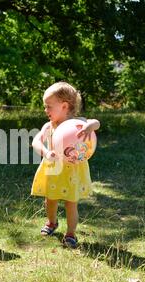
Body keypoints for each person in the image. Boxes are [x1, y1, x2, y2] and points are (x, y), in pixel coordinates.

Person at [31, 82, 100, 248]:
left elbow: (96, 123)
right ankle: (51, 222)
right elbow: (35, 141)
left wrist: (90, 126)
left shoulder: (79, 123)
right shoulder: (49, 126)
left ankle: (70, 233)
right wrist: (46, 153)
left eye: (48, 106)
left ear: (64, 106)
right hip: (54, 169)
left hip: (73, 171)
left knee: (71, 202)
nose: (45, 110)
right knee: (51, 199)